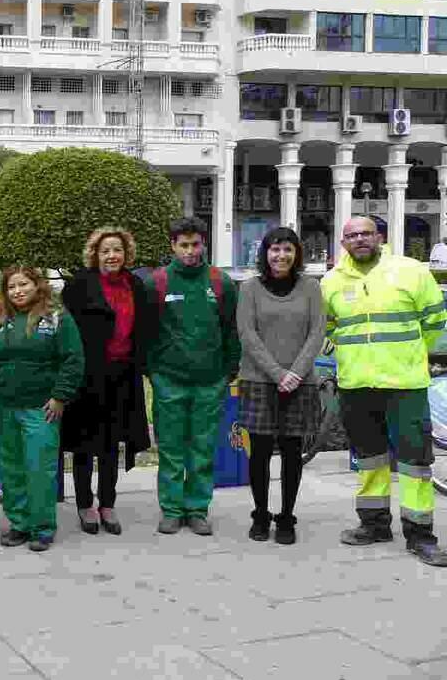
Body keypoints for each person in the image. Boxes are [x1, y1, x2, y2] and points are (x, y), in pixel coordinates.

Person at [323, 216, 447, 566]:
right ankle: (374, 524)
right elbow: (330, 326)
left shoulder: (410, 271)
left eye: (366, 233)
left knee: (415, 460)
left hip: (404, 383)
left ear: (380, 237)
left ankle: (420, 534)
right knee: (369, 457)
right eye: (352, 235)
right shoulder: (331, 281)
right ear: (343, 242)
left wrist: (410, 356)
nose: (359, 239)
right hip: (356, 383)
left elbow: (435, 321)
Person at [147, 217, 240, 536]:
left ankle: (197, 509)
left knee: (202, 448)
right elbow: (145, 333)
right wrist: (154, 373)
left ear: (204, 244)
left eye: (195, 244)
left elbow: (231, 331)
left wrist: (229, 371)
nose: (190, 251)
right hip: (169, 381)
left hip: (210, 381)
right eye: (183, 245)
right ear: (172, 246)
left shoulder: (220, 283)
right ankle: (172, 510)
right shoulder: (157, 282)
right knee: (171, 448)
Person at [0, 266, 84, 551]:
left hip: (41, 409)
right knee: (12, 470)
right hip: (5, 408)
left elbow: (73, 359)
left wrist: (60, 396)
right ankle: (19, 524)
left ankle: (42, 527)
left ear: (37, 285)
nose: (18, 291)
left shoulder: (56, 317)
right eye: (12, 287)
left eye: (23, 284)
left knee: (39, 468)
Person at [61, 228, 152, 537]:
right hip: (87, 377)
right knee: (84, 445)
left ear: (126, 254)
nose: (112, 255)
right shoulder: (79, 285)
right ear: (95, 255)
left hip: (122, 376)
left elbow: (144, 330)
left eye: (117, 250)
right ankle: (85, 504)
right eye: (105, 251)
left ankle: (108, 504)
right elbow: (67, 332)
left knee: (112, 444)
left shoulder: (135, 285)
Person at [236, 227, 324, 546]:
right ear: (266, 253)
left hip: (300, 383)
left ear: (297, 253)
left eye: (288, 249)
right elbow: (247, 334)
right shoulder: (249, 288)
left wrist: (295, 373)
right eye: (275, 249)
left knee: (291, 452)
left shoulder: (311, 287)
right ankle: (260, 514)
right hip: (259, 380)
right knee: (259, 453)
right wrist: (277, 373)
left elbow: (317, 332)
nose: (281, 255)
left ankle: (286, 516)